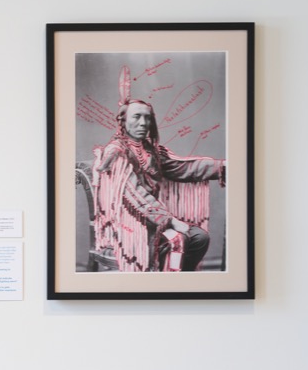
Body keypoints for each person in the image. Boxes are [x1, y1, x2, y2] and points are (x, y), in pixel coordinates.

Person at [89, 99, 226, 271]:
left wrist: (221, 167)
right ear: (123, 120)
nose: (143, 123)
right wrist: (170, 221)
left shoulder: (150, 150)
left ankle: (180, 282)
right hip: (127, 223)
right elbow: (134, 194)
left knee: (199, 238)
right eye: (137, 116)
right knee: (178, 239)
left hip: (151, 219)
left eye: (147, 117)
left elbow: (181, 167)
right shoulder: (116, 152)